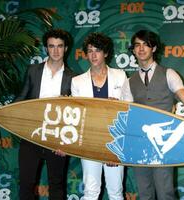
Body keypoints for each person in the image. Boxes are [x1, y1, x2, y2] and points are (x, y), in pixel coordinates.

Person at [122, 29, 184, 200]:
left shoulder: (169, 74)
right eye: (137, 45)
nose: (141, 49)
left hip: (165, 145)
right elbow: (126, 116)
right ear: (133, 50)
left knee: (165, 193)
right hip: (139, 146)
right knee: (145, 194)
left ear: (153, 48)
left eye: (145, 45)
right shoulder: (129, 82)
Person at [15, 29, 74, 200]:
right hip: (31, 135)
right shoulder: (33, 71)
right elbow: (21, 98)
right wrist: (2, 115)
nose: (56, 51)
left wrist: (67, 143)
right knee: (26, 184)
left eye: (60, 46)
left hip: (57, 138)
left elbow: (74, 115)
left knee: (56, 185)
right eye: (51, 46)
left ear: (66, 48)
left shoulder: (73, 78)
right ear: (46, 48)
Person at [71, 32, 126, 200]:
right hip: (89, 142)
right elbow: (77, 117)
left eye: (97, 50)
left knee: (115, 191)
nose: (93, 55)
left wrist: (116, 149)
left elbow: (127, 111)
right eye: (89, 51)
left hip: (114, 142)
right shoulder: (77, 81)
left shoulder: (120, 75)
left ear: (106, 53)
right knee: (90, 192)